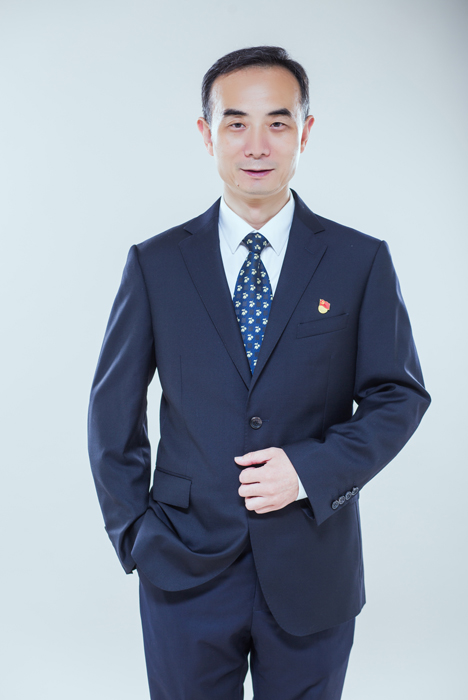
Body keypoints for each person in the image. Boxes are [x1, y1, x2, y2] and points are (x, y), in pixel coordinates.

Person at [88, 46, 431, 700]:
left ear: (305, 131)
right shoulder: (156, 264)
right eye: (236, 122)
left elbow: (399, 395)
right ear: (206, 133)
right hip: (183, 565)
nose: (256, 144)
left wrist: (309, 470)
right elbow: (112, 412)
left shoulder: (358, 261)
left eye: (277, 122)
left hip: (313, 564)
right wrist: (134, 534)